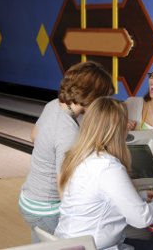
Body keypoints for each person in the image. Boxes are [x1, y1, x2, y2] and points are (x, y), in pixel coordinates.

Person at [55, 97, 153, 250]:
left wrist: (141, 196)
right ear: (117, 130)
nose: (128, 128)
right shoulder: (107, 166)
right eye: (125, 123)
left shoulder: (79, 155)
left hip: (67, 243)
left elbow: (100, 200)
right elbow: (141, 219)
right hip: (91, 247)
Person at [19, 61, 114, 243]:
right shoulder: (68, 133)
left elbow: (34, 136)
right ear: (91, 97)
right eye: (102, 99)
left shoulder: (54, 104)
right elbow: (64, 186)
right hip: (47, 208)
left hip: (29, 199)